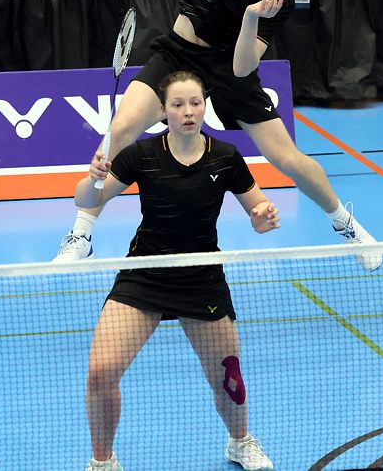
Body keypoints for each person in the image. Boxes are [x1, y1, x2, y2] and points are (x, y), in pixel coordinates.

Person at [54, 0, 382, 274]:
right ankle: (81, 234)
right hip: (178, 52)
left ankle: (347, 225)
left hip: (228, 68)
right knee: (121, 127)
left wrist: (251, 17)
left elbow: (244, 68)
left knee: (288, 158)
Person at [80, 71, 277, 471]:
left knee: (229, 376)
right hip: (145, 272)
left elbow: (257, 211)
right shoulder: (141, 155)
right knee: (100, 373)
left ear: (205, 105)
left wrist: (263, 216)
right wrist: (92, 178)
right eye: (178, 105)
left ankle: (240, 442)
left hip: (200, 275)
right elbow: (88, 200)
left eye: (195, 103)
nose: (188, 111)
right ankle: (103, 461)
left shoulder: (225, 156)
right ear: (164, 111)